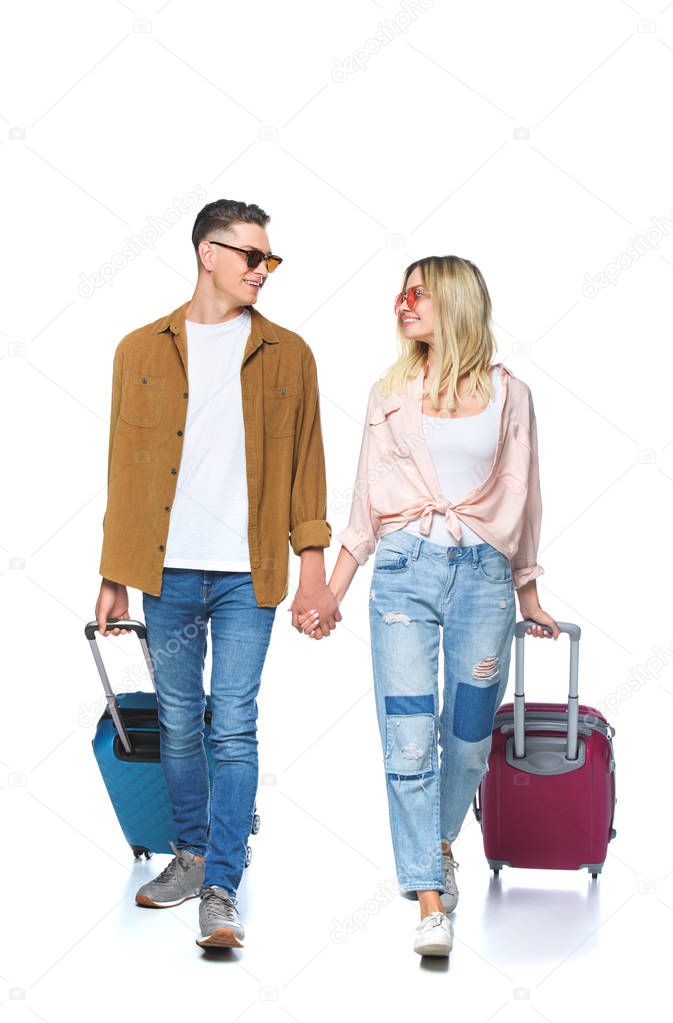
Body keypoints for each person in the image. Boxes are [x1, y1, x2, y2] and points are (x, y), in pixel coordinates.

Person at [296, 255, 559, 957]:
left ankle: (436, 844)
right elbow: (363, 503)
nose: (400, 304)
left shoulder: (511, 394)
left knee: (468, 740)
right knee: (409, 739)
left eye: (415, 294)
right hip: (404, 573)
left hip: (483, 576)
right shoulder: (388, 392)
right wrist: (331, 589)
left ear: (452, 303)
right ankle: (429, 898)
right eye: (399, 293)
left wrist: (528, 589)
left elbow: (524, 497)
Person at [95, 198, 340, 950]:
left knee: (231, 723)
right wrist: (112, 572)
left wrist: (313, 570)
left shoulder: (288, 353)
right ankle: (191, 854)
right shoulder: (139, 349)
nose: (263, 270)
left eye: (269, 259)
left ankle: (223, 884)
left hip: (249, 573)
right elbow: (123, 473)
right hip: (164, 570)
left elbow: (306, 469)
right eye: (252, 256)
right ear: (208, 253)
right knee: (177, 722)